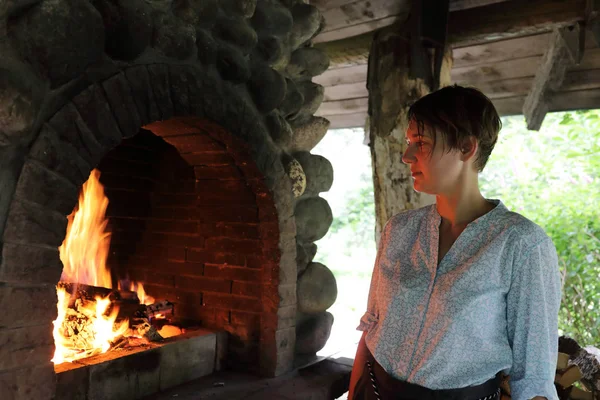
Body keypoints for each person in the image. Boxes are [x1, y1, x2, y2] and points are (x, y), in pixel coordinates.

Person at [348, 85, 562, 400]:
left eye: (420, 143)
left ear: (466, 147)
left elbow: (533, 378)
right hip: (376, 391)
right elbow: (371, 327)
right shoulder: (399, 231)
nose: (407, 157)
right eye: (409, 143)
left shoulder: (521, 245)